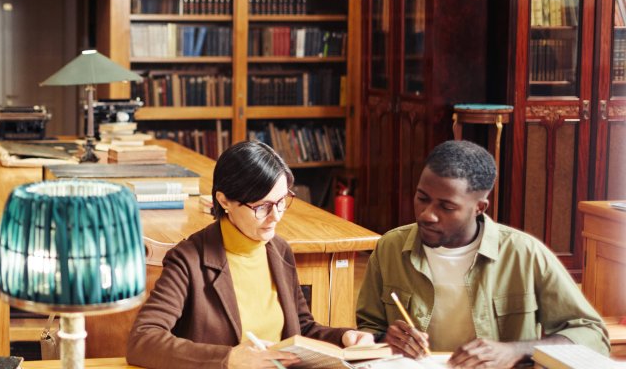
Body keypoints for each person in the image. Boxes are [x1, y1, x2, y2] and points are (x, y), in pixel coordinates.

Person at [355, 140, 610, 368]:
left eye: (446, 206)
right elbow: (368, 329)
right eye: (422, 198)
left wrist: (516, 350)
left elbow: (591, 333)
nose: (426, 214)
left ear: (479, 207)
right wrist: (385, 338)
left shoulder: (524, 254)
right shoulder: (390, 248)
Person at [126, 141, 374, 369]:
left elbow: (301, 328)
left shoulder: (279, 250)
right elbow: (143, 340)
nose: (276, 216)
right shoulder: (188, 259)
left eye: (281, 201)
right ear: (224, 201)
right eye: (262, 207)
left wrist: (344, 337)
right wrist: (229, 358)